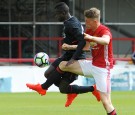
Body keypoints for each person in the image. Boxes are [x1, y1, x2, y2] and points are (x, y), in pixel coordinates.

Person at [26, 2, 100, 107]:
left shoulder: (72, 25)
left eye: (57, 14)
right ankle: (69, 91)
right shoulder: (69, 22)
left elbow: (83, 43)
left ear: (63, 12)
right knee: (48, 74)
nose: (56, 16)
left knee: (63, 89)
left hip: (75, 59)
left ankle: (92, 89)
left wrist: (73, 57)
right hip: (66, 56)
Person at [58, 7, 117, 115]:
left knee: (106, 102)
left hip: (104, 69)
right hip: (92, 65)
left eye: (87, 22)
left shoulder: (104, 30)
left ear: (95, 21)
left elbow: (106, 41)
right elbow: (85, 47)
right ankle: (66, 89)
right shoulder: (89, 30)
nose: (85, 24)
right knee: (63, 65)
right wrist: (70, 47)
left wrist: (92, 37)